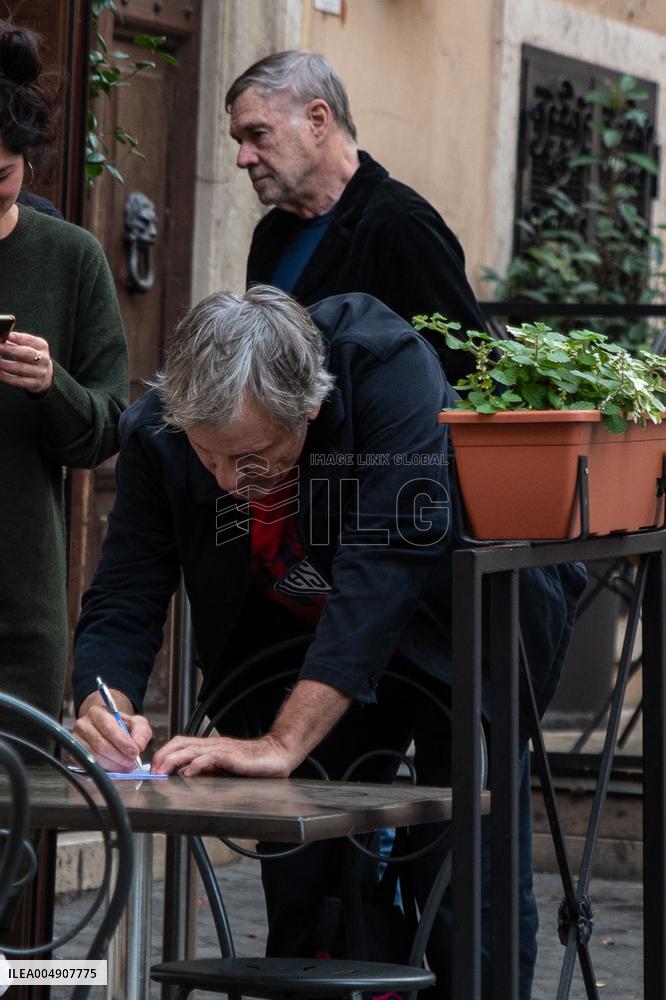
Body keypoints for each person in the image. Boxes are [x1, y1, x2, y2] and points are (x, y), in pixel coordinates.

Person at [72, 285, 585, 998]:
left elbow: (386, 571)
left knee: (466, 878)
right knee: (306, 879)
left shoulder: (384, 366)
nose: (228, 480)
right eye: (208, 456)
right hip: (298, 647)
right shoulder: (159, 428)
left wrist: (282, 743)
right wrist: (105, 695)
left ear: (309, 407)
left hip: (452, 635)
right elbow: (126, 588)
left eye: (252, 456)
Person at [0, 20, 129, 733]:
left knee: (12, 822)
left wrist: (53, 384)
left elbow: (108, 425)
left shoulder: (70, 258)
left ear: (29, 164)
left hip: (20, 605)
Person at [226, 50, 487, 385]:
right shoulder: (270, 233)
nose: (243, 157)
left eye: (258, 134)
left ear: (317, 120)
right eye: (239, 140)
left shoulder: (403, 223)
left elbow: (469, 370)